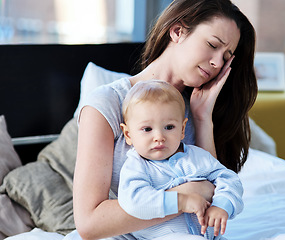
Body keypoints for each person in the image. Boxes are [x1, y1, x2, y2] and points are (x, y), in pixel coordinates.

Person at [73, 0, 257, 239]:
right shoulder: (107, 103)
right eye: (212, 45)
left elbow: (211, 190)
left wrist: (202, 118)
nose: (216, 63)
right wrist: (184, 197)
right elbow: (89, 223)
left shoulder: (198, 109)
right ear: (177, 31)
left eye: (226, 57)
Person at [118, 80, 243, 240]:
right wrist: (181, 201)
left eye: (169, 127)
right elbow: (135, 201)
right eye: (147, 129)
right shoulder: (136, 166)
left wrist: (221, 205)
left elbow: (229, 179)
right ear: (128, 134)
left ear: (182, 129)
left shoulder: (196, 157)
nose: (159, 137)